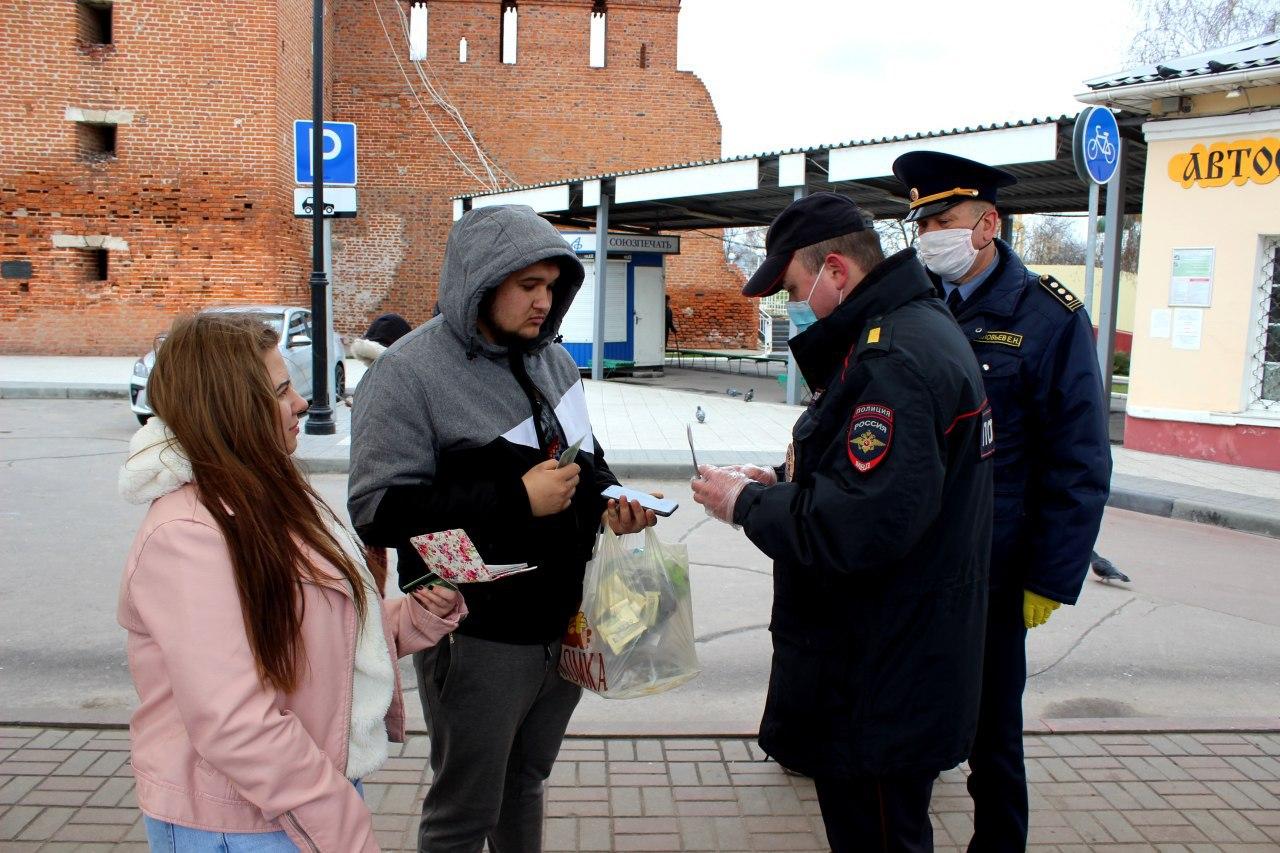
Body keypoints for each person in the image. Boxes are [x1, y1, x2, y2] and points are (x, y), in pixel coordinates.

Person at [348, 204, 658, 852]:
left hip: (563, 626)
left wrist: (616, 502)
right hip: (476, 633)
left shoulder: (554, 363)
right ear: (480, 282)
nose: (544, 301)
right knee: (465, 809)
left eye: (552, 286)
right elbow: (378, 509)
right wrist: (514, 497)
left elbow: (586, 462)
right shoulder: (406, 374)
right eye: (528, 286)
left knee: (528, 780)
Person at [690, 192, 994, 852]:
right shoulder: (905, 331)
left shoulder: (893, 361)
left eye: (795, 287)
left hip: (881, 677)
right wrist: (783, 479)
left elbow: (860, 523)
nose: (792, 305)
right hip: (893, 663)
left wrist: (743, 503)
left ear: (835, 270)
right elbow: (878, 484)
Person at [117, 312, 465, 852]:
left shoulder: (272, 495)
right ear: (232, 410)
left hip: (300, 796)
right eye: (281, 391)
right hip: (241, 822)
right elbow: (235, 722)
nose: (301, 402)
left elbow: (316, 636)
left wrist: (416, 614)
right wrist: (343, 827)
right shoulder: (188, 536)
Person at [892, 151, 1112, 852]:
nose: (927, 234)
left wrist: (1049, 576)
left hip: (994, 567)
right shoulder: (909, 303)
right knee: (910, 727)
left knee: (993, 739)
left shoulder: (1050, 318)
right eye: (919, 220)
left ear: (987, 224)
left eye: (942, 219)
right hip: (914, 560)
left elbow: (1079, 462)